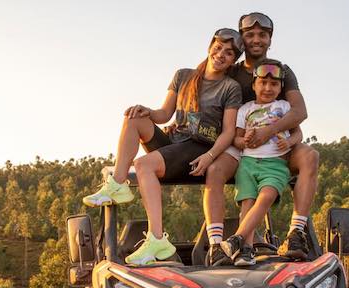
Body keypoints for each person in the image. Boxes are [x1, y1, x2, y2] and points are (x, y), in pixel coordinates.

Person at [83, 29, 243, 265]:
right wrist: (147, 111)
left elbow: (229, 131)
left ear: (233, 60)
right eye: (218, 48)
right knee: (133, 117)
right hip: (174, 139)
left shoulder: (230, 88)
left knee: (143, 165)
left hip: (198, 146)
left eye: (229, 53)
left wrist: (210, 157)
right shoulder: (183, 76)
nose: (221, 55)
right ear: (210, 47)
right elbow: (164, 114)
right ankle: (117, 183)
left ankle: (157, 238)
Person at [203, 12, 319, 265]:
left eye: (262, 35)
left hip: (275, 141)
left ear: (270, 39)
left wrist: (269, 133)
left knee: (310, 156)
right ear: (241, 40)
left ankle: (297, 232)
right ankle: (217, 246)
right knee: (214, 170)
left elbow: (300, 112)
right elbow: (205, 99)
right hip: (239, 140)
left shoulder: (280, 70)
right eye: (249, 34)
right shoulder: (231, 71)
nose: (256, 40)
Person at [221, 60, 302, 265]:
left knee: (265, 197)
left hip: (275, 163)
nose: (268, 88)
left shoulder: (284, 107)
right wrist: (243, 140)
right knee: (247, 204)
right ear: (254, 85)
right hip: (247, 163)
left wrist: (289, 142)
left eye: (274, 84)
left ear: (280, 87)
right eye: (263, 83)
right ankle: (244, 252)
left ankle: (236, 239)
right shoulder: (244, 109)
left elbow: (298, 133)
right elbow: (236, 139)